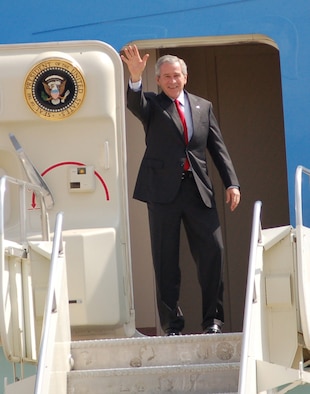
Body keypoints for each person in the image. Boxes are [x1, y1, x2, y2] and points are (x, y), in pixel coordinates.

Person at [121, 45, 240, 336]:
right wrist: (135, 78)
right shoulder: (151, 105)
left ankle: (213, 320)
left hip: (199, 190)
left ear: (185, 77)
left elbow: (218, 148)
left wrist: (232, 182)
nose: (172, 81)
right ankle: (172, 325)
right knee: (166, 261)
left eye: (176, 76)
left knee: (213, 253)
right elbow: (135, 104)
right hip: (162, 193)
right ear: (158, 81)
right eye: (166, 77)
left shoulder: (203, 107)